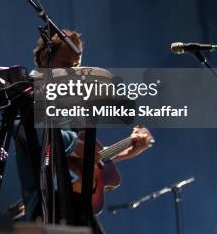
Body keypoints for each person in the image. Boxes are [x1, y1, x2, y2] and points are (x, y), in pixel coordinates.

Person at [13, 29, 153, 220]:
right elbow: (37, 133)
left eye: (77, 65)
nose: (73, 72)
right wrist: (77, 145)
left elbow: (80, 165)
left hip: (75, 210)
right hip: (47, 212)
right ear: (45, 59)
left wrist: (128, 151)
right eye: (65, 63)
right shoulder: (30, 94)